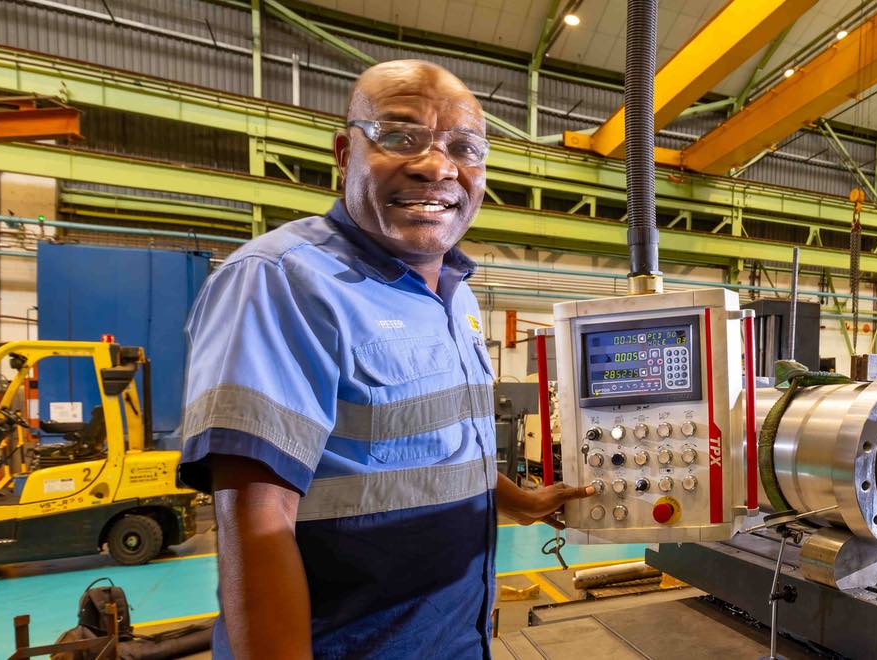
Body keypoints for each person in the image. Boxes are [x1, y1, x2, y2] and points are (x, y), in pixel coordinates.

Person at [177, 59, 592, 659]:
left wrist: (517, 501)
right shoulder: (280, 282)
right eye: (399, 136)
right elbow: (255, 521)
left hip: (455, 638)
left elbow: (427, 446)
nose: (437, 166)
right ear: (345, 154)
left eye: (465, 147)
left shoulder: (455, 293)